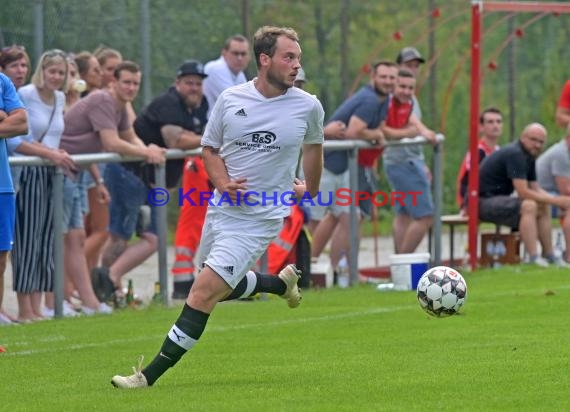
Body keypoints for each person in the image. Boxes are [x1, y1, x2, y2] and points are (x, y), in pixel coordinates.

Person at [111, 25, 324, 389]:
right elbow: (209, 150)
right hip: (222, 209)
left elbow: (314, 152)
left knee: (203, 292)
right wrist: (223, 182)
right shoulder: (230, 99)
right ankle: (277, 284)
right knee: (217, 284)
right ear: (265, 59)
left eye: (298, 59)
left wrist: (310, 190)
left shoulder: (308, 106)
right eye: (289, 57)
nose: (296, 66)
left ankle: (147, 377)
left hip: (262, 217)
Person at [60, 61, 166, 309]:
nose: (131, 87)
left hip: (78, 174)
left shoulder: (119, 105)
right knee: (65, 238)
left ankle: (84, 299)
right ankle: (60, 299)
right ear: (114, 82)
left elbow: (129, 137)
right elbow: (111, 143)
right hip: (60, 171)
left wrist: (147, 149)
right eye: (126, 82)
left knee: (75, 238)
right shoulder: (104, 100)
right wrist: (146, 154)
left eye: (135, 83)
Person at [100, 59, 208, 301]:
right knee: (120, 237)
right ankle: (106, 287)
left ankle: (110, 279)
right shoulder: (168, 103)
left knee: (153, 239)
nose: (194, 88)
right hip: (129, 174)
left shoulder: (201, 104)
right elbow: (175, 141)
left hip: (154, 183)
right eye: (189, 83)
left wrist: (199, 137)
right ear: (177, 83)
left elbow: (193, 136)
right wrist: (208, 138)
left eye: (198, 84)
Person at [7, 50, 78, 321]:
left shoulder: (60, 98)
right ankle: (25, 308)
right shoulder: (25, 94)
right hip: (28, 172)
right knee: (26, 241)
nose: (57, 77)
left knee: (46, 241)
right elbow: (16, 141)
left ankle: (38, 307)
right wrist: (50, 155)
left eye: (61, 73)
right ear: (42, 71)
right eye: (52, 71)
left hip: (51, 174)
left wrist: (54, 156)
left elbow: (56, 137)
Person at [310, 61, 393, 271]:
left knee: (351, 218)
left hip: (344, 166)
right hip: (325, 164)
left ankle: (339, 271)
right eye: (383, 77)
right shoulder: (370, 99)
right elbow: (354, 131)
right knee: (313, 220)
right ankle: (299, 268)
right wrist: (376, 135)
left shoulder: (384, 99)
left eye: (392, 78)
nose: (388, 82)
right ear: (373, 76)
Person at [479, 123, 570, 266]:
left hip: (498, 199)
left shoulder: (529, 156)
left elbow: (535, 187)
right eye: (534, 140)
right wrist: (558, 201)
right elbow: (523, 191)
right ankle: (533, 258)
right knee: (529, 205)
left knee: (542, 204)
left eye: (541, 142)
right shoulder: (515, 154)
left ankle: (549, 254)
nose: (537, 145)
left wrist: (554, 200)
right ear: (523, 137)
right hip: (482, 201)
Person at [382, 68, 437, 254]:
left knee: (403, 214)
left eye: (410, 87)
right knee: (425, 217)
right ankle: (403, 264)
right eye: (402, 86)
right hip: (403, 162)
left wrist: (422, 131)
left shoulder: (408, 102)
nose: (406, 91)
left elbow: (413, 121)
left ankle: (399, 266)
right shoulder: (386, 102)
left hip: (408, 161)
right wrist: (412, 133)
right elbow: (384, 131)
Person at [0, 72, 28, 324]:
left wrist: (7, 117)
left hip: (2, 185)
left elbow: (21, 124)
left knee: (0, 258)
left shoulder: (2, 81)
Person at [456, 107, 503, 212]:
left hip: (490, 197)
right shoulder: (477, 151)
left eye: (498, 122)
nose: (495, 125)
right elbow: (467, 181)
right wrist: (465, 204)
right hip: (471, 199)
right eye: (490, 122)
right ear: (481, 127)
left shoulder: (498, 151)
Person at [536, 123, 570, 263]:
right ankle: (568, 255)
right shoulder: (561, 154)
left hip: (552, 195)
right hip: (542, 197)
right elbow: (566, 190)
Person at [203, 34, 250, 113]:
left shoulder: (239, 74)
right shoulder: (216, 68)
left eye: (243, 54)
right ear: (224, 53)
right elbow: (235, 103)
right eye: (235, 53)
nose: (239, 58)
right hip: (208, 124)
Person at [395, 46, 425, 119]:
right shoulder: (393, 93)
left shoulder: (411, 95)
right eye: (409, 65)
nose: (413, 69)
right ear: (398, 67)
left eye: (416, 66)